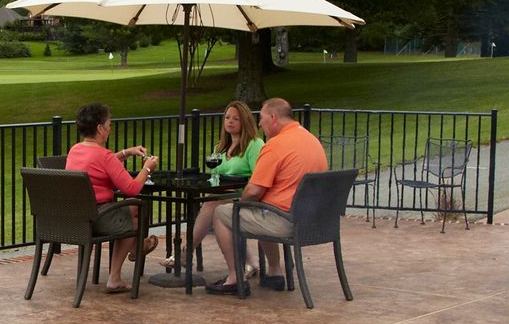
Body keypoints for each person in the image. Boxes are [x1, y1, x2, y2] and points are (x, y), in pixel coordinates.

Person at [206, 97, 328, 295]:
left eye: (261, 118)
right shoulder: (310, 139)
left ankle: (235, 277)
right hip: (314, 219)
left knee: (222, 213)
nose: (260, 124)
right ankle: (274, 272)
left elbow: (254, 190)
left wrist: (240, 206)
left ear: (273, 117)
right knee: (262, 207)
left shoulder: (276, 145)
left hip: (286, 221)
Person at [64, 103, 159, 294]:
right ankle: (130, 256)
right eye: (108, 124)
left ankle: (134, 250)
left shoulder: (76, 150)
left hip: (76, 218)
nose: (110, 128)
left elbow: (98, 162)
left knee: (133, 211)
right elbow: (131, 188)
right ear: (99, 128)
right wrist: (147, 168)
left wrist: (126, 153)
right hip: (98, 219)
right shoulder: (104, 156)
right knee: (136, 215)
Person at [170, 101, 264, 276]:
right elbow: (215, 177)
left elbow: (258, 178)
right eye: (227, 117)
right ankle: (250, 263)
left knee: (211, 205)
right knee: (212, 204)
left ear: (245, 121)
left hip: (247, 197)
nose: (230, 121)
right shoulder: (220, 147)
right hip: (222, 197)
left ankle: (184, 252)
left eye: (236, 118)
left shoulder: (255, 144)